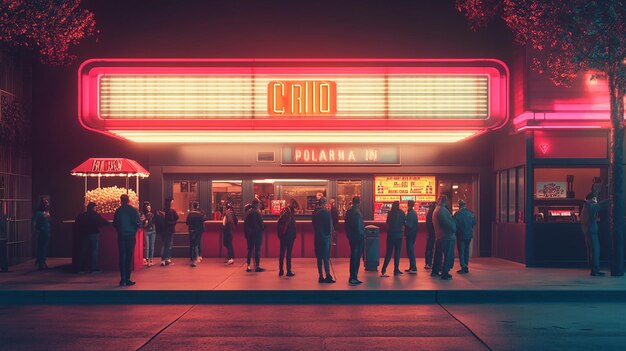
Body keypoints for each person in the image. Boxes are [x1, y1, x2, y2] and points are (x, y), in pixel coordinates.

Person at [113, 194, 140, 286]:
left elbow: (115, 223)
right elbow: (138, 223)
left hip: (121, 236)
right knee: (129, 257)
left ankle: (122, 279)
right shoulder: (133, 210)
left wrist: (120, 230)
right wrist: (133, 231)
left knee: (122, 257)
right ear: (128, 200)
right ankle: (128, 278)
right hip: (131, 236)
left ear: (121, 200)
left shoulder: (118, 211)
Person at [580, 192, 609, 276]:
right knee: (596, 251)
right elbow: (599, 206)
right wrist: (610, 200)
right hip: (591, 231)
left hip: (588, 231)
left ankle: (593, 269)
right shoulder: (590, 205)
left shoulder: (585, 206)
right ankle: (595, 270)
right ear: (592, 199)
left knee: (591, 250)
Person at [75, 202, 108, 274]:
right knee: (94, 251)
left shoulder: (82, 215)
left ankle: (80, 269)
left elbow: (77, 223)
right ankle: (94, 269)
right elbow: (104, 222)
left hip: (84, 234)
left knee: (82, 251)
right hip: (94, 233)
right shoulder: (96, 215)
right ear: (94, 208)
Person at [431, 195, 456, 280]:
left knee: (438, 255)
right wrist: (454, 228)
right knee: (448, 255)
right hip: (446, 236)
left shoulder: (436, 210)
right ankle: (445, 272)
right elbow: (449, 225)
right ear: (446, 200)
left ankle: (435, 270)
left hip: (439, 235)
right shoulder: (442, 210)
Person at [312, 197, 335, 283]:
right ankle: (328, 275)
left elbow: (313, 224)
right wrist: (330, 236)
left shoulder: (315, 213)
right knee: (326, 257)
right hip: (325, 237)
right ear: (325, 203)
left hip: (317, 236)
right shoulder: (327, 212)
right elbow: (329, 226)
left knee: (319, 257)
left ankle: (320, 276)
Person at [381, 201, 406, 277]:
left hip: (391, 235)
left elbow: (387, 223)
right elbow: (405, 222)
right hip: (399, 235)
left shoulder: (390, 213)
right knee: (397, 253)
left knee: (388, 253)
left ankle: (383, 269)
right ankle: (396, 269)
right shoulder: (402, 213)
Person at [344, 196, 364, 285]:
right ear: (359, 203)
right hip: (357, 238)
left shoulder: (348, 212)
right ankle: (354, 277)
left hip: (351, 237)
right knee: (356, 258)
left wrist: (349, 235)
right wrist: (362, 235)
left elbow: (346, 225)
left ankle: (352, 276)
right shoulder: (357, 213)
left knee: (353, 256)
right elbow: (358, 227)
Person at [454, 200, 476, 274]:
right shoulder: (471, 214)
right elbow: (474, 223)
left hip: (460, 235)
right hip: (469, 234)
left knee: (461, 251)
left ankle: (463, 266)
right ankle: (466, 265)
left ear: (459, 205)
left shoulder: (457, 214)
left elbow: (454, 225)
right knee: (467, 250)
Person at [277, 199, 298, 277]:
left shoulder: (284, 212)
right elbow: (289, 226)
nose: (296, 211)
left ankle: (281, 270)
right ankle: (288, 270)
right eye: (296, 208)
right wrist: (293, 235)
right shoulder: (289, 214)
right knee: (288, 254)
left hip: (283, 236)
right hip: (289, 236)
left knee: (282, 253)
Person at [244, 198, 265, 272]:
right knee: (257, 250)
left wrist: (247, 234)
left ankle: (248, 265)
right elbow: (261, 225)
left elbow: (245, 224)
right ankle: (257, 266)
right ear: (257, 204)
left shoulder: (248, 212)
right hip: (257, 233)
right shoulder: (258, 212)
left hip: (250, 234)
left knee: (250, 250)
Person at [32, 197, 51, 270]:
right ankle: (41, 262)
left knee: (43, 247)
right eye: (46, 203)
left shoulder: (45, 212)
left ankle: (41, 261)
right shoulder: (39, 213)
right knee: (42, 247)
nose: (47, 204)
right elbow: (34, 222)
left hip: (46, 231)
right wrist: (34, 231)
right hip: (42, 231)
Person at [159, 198, 179, 267]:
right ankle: (167, 258)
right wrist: (174, 222)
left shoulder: (163, 211)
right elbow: (176, 218)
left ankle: (163, 260)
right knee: (169, 245)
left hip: (163, 230)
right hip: (170, 230)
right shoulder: (172, 211)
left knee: (164, 244)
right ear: (170, 203)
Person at [186, 201, 206, 267]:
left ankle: (192, 258)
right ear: (197, 206)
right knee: (196, 244)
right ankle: (196, 257)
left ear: (192, 206)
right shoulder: (200, 214)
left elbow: (187, 223)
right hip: (198, 231)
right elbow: (203, 221)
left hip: (191, 230)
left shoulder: (190, 214)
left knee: (191, 244)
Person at [404, 200, 419, 274]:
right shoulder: (413, 213)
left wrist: (404, 221)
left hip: (410, 234)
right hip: (412, 234)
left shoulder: (411, 214)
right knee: (410, 250)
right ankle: (411, 267)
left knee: (410, 251)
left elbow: (409, 225)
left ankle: (413, 267)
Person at [140, 201, 156, 267]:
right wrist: (145, 221)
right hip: (146, 230)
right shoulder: (143, 214)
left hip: (153, 230)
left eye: (149, 206)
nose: (148, 207)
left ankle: (151, 259)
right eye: (147, 206)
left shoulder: (152, 214)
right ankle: (147, 260)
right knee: (147, 246)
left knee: (152, 246)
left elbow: (154, 222)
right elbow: (142, 222)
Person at [424, 202, 436, 270]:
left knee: (429, 248)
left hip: (430, 233)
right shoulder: (433, 213)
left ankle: (428, 263)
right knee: (431, 248)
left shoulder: (429, 213)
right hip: (433, 233)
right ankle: (429, 263)